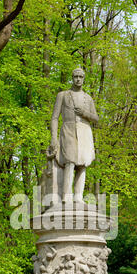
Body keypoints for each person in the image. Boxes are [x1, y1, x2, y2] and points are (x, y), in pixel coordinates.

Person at [49, 68, 99, 204]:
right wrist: (53, 137)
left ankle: (78, 196)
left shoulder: (88, 98)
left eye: (80, 77)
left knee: (83, 164)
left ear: (84, 78)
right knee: (69, 162)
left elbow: (96, 118)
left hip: (84, 131)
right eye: (76, 76)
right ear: (72, 78)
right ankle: (67, 195)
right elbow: (54, 118)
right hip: (68, 129)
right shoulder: (63, 95)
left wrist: (85, 113)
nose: (78, 79)